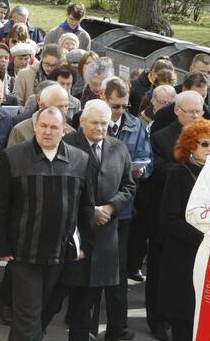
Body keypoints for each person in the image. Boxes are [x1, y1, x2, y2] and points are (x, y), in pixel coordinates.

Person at [0, 106, 94, 341]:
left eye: (54, 127)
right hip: (23, 253)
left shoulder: (79, 160)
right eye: (43, 126)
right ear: (35, 127)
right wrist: (2, 246)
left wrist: (85, 244)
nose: (48, 132)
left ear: (64, 130)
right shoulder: (13, 157)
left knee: (38, 314)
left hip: (61, 253)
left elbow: (86, 207)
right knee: (28, 315)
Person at [61, 100, 135, 341]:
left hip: (107, 235)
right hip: (77, 234)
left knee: (98, 292)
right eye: (94, 123)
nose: (100, 128)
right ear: (82, 122)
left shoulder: (119, 147)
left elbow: (128, 186)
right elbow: (61, 188)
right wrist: (90, 210)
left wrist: (112, 206)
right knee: (76, 297)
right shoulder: (68, 145)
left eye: (104, 123)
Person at [144, 90, 205, 340]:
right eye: (190, 111)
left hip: (203, 256)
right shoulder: (167, 150)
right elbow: (168, 216)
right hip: (177, 244)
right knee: (179, 308)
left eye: (198, 111)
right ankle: (158, 321)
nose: (194, 115)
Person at [99, 77, 152, 341]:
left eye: (123, 106)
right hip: (93, 209)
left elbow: (147, 159)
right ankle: (79, 320)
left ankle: (117, 327)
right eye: (114, 105)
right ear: (103, 99)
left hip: (122, 211)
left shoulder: (135, 126)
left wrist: (140, 169)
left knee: (117, 272)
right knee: (85, 268)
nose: (118, 112)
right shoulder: (91, 121)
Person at [155, 120, 210, 341]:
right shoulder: (178, 174)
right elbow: (169, 219)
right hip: (184, 258)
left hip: (206, 257)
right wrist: (204, 239)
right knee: (185, 323)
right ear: (190, 146)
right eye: (205, 144)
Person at [14, 43, 63, 107]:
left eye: (53, 65)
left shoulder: (61, 77)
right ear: (41, 59)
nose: (49, 68)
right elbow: (17, 102)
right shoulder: (24, 74)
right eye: (46, 64)